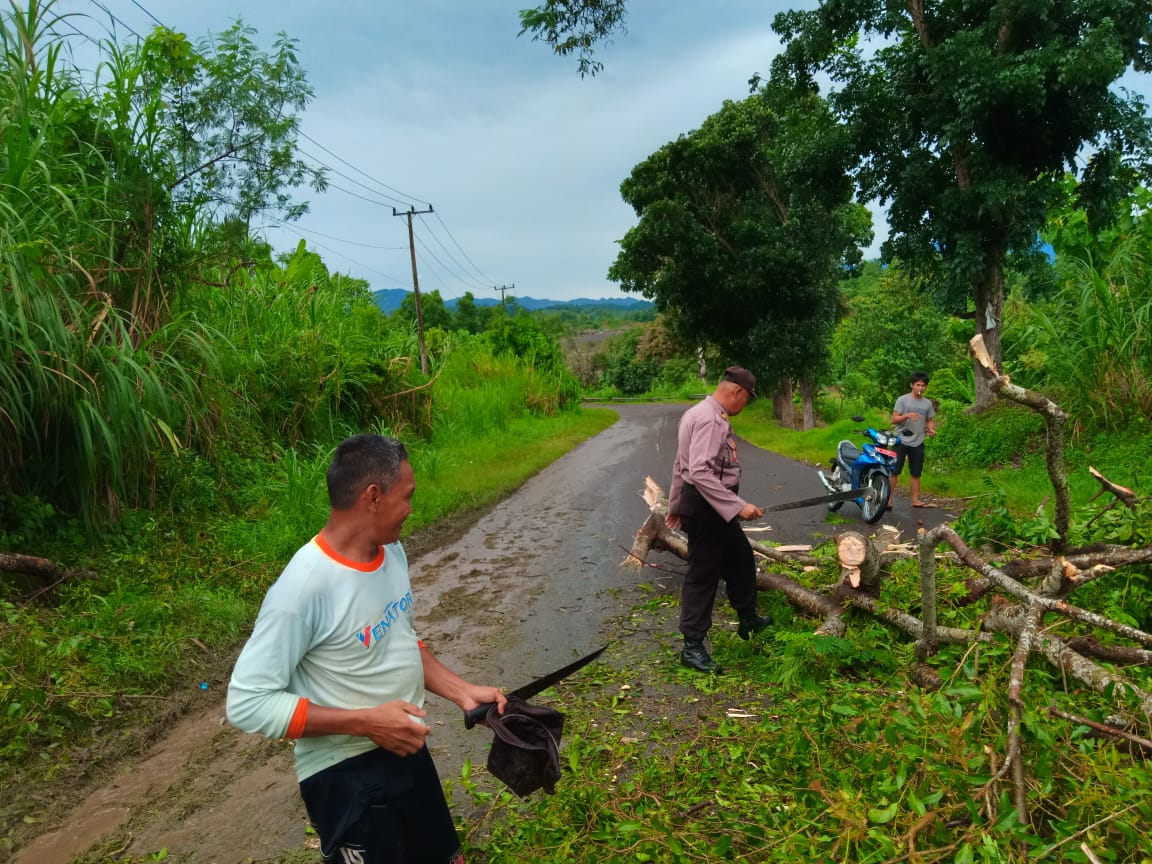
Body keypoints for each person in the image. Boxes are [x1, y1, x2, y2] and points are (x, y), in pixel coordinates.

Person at [227, 434, 506, 864]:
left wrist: (461, 691)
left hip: (404, 748)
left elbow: (398, 640)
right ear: (373, 497)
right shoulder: (302, 589)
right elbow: (247, 703)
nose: (412, 509)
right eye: (407, 496)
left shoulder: (392, 554)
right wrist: (365, 723)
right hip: (345, 774)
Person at [665, 366, 773, 673]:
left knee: (740, 557)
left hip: (707, 505)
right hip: (707, 507)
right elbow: (698, 471)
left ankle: (748, 620)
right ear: (737, 391)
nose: (745, 405)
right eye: (747, 399)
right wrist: (737, 505)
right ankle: (692, 647)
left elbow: (680, 464)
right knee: (703, 574)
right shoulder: (712, 420)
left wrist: (674, 504)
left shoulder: (696, 412)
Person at [891, 371, 938, 508]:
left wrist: (931, 429)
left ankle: (915, 500)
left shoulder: (927, 404)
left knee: (916, 472)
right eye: (918, 385)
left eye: (923, 386)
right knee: (894, 471)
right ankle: (887, 499)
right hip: (900, 440)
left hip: (918, 442)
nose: (920, 388)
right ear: (911, 385)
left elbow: (929, 420)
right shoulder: (902, 400)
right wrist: (907, 415)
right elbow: (894, 419)